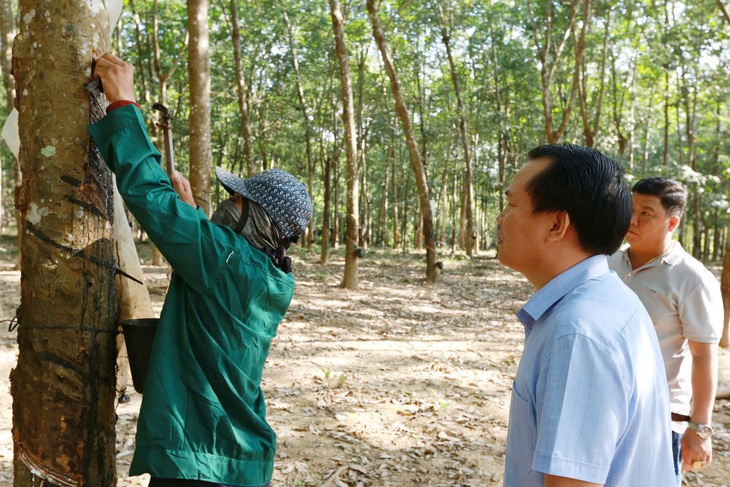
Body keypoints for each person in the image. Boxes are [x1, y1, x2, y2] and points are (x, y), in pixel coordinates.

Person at [88, 53, 313, 487]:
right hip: (235, 460)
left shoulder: (224, 262)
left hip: (201, 459)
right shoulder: (273, 278)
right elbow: (219, 277)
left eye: (239, 201)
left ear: (260, 221)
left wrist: (124, 105)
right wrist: (191, 216)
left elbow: (149, 197)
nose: (230, 205)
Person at [497, 144, 674, 486]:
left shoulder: (578, 333)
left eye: (511, 204)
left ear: (557, 224)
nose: (500, 217)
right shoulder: (604, 300)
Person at [607, 177, 723, 485]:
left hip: (658, 419)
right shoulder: (607, 264)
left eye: (646, 213)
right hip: (604, 407)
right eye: (631, 208)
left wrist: (699, 429)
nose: (632, 219)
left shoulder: (691, 279)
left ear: (671, 222)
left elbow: (703, 357)